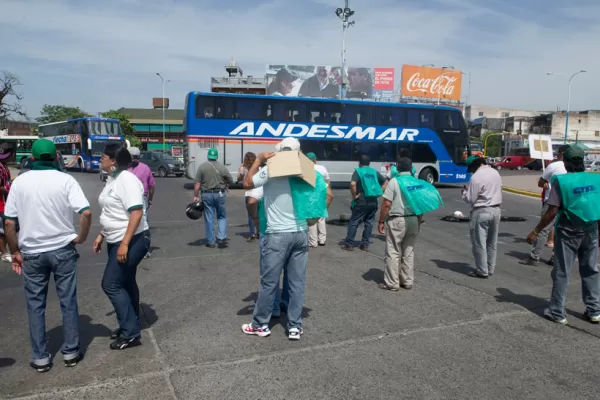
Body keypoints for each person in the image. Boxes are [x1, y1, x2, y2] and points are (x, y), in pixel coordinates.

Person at [4, 139, 92, 372]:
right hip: (62, 249)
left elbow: (10, 221)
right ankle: (71, 351)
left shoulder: (20, 182)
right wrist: (81, 237)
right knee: (68, 302)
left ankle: (41, 357)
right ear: (55, 158)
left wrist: (14, 251)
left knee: (35, 304)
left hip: (32, 252)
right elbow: (86, 213)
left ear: (31, 158)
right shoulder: (66, 180)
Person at [241, 137, 331, 340]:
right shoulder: (308, 171)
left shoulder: (271, 169)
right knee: (297, 283)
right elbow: (327, 195)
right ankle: (294, 326)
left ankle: (260, 324)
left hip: (277, 235)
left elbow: (247, 183)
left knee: (269, 282)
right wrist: (313, 219)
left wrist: (259, 159)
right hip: (300, 233)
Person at [527, 146, 600, 325]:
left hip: (568, 231)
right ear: (582, 162)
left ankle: (557, 311)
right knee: (590, 270)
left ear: (566, 163)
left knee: (562, 272)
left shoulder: (561, 181)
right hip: (591, 230)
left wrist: (536, 231)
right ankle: (594, 310)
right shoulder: (596, 178)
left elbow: (552, 211)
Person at [93, 143, 150, 350]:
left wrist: (124, 244)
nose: (101, 160)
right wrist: (101, 234)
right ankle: (130, 324)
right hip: (115, 237)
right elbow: (113, 211)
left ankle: (130, 333)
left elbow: (136, 212)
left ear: (113, 160)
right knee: (125, 282)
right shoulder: (113, 179)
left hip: (132, 240)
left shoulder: (127, 180)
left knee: (111, 284)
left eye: (103, 157)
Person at [377, 158, 422, 291]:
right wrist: (418, 221)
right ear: (411, 168)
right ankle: (407, 281)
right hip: (413, 218)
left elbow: (387, 203)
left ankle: (392, 283)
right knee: (408, 251)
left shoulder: (394, 182)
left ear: (397, 168)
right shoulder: (417, 183)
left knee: (393, 251)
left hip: (397, 219)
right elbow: (421, 205)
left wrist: (381, 221)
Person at [520, 146, 568, 266]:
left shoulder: (554, 166)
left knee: (543, 229)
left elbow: (541, 182)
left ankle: (534, 256)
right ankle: (555, 257)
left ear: (561, 154)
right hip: (568, 202)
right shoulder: (574, 168)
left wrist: (547, 184)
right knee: (560, 231)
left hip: (552, 201)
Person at [462, 156, 502, 278]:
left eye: (471, 169)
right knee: (492, 242)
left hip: (481, 211)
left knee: (479, 243)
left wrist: (464, 192)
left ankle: (482, 270)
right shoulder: (495, 172)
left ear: (475, 166)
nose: (471, 172)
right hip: (496, 210)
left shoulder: (476, 177)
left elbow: (471, 199)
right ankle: (490, 268)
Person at [342, 154, 387, 251]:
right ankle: (365, 244)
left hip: (361, 200)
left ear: (359, 163)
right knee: (369, 223)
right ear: (369, 163)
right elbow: (385, 182)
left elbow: (353, 184)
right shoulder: (374, 172)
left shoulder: (358, 171)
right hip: (373, 201)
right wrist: (378, 193)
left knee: (354, 222)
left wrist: (354, 196)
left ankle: (349, 244)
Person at [192, 148, 233, 248]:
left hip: (206, 194)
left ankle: (211, 241)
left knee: (209, 217)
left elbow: (197, 184)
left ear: (208, 156)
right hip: (220, 194)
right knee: (221, 216)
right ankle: (222, 237)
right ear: (217, 157)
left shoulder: (202, 167)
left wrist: (195, 196)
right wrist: (225, 184)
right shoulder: (222, 167)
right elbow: (230, 180)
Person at [128, 147, 155, 258]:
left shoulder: (125, 169)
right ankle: (144, 250)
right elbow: (152, 185)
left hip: (128, 198)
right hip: (141, 198)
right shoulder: (145, 168)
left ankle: (129, 247)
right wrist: (150, 198)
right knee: (143, 223)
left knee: (128, 222)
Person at [305, 152, 331, 247]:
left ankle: (313, 242)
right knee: (321, 217)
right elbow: (328, 181)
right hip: (321, 195)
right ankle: (322, 240)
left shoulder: (305, 169)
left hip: (310, 196)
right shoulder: (322, 168)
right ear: (315, 160)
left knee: (312, 218)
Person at [238, 152, 258, 242]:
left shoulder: (244, 168)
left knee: (251, 215)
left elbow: (238, 179)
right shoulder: (258, 168)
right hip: (258, 193)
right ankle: (259, 231)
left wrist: (239, 169)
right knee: (259, 213)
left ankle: (252, 233)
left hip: (249, 194)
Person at [0, 143, 14, 262]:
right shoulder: (0, 166)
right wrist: (5, 190)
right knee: (3, 230)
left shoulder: (4, 165)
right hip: (1, 203)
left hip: (5, 202)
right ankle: (4, 253)